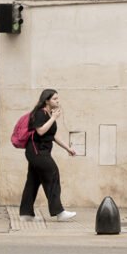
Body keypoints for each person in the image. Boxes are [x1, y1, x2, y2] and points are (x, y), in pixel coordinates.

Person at [19, 89, 77, 222]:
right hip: (37, 152)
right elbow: (40, 131)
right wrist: (54, 118)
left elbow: (52, 135)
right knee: (53, 174)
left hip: (39, 152)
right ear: (47, 101)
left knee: (33, 181)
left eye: (58, 98)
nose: (58, 101)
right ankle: (59, 212)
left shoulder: (48, 114)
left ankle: (26, 214)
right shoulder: (39, 114)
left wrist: (67, 148)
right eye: (55, 99)